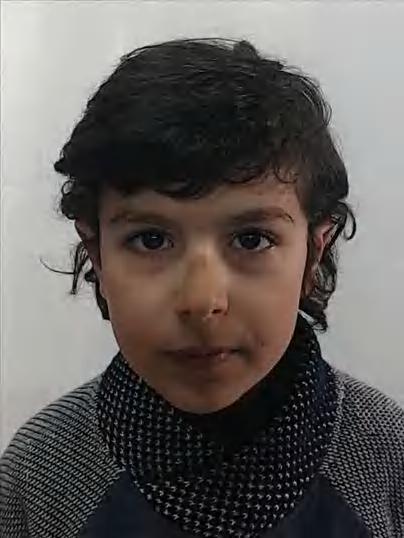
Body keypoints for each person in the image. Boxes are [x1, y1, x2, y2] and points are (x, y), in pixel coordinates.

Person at [0, 37, 403, 538]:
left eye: (252, 239)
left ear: (313, 253)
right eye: (151, 239)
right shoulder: (42, 474)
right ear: (97, 253)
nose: (202, 301)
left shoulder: (386, 458)